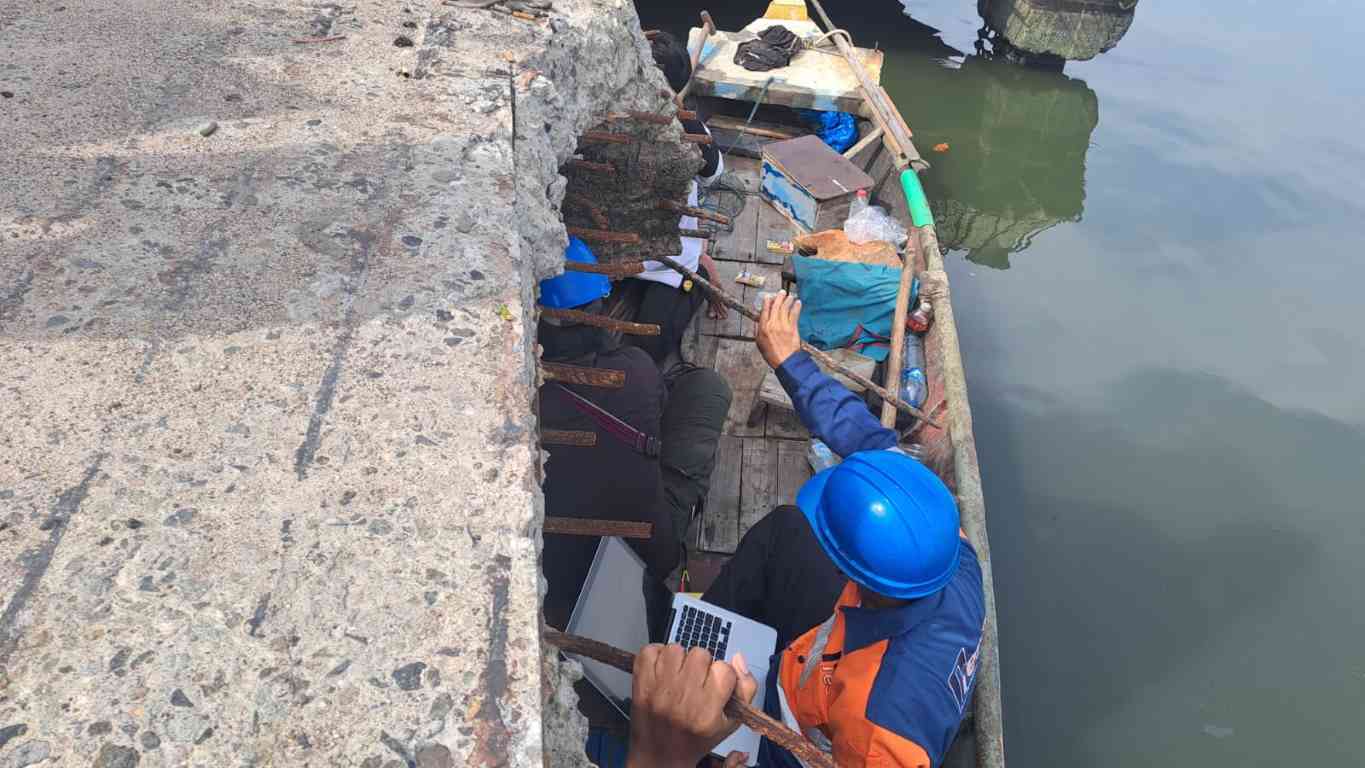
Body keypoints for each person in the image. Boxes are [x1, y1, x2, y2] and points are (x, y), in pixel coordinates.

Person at [629, 291, 986, 768]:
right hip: (824, 667)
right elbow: (872, 446)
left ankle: (689, 684)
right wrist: (790, 361)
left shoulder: (882, 733)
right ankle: (700, 644)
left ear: (851, 570)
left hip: (792, 743)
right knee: (788, 529)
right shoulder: (950, 552)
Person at [539, 238, 732, 630]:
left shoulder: (530, 396)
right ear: (599, 310)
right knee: (706, 388)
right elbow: (655, 415)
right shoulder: (635, 369)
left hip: (557, 567)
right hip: (648, 552)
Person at [616, 31, 729, 367]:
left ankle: (701, 275)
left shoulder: (688, 128)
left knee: (649, 349)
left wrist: (680, 118)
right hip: (616, 250)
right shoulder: (608, 115)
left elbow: (712, 172)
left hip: (668, 262)